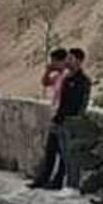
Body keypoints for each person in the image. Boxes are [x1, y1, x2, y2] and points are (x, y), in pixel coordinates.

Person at [53, 48, 92, 196]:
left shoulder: (83, 81)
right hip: (62, 121)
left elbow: (81, 103)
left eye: (70, 58)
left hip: (74, 122)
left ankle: (74, 185)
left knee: (73, 155)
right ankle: (68, 183)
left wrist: (77, 120)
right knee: (64, 154)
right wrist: (57, 119)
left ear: (78, 60)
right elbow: (62, 102)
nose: (67, 61)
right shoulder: (67, 79)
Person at [29, 48, 70, 190]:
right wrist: (48, 71)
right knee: (51, 149)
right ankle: (44, 178)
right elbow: (45, 82)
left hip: (63, 117)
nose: (52, 63)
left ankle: (58, 180)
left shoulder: (67, 76)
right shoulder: (58, 76)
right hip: (55, 115)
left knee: (62, 152)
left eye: (54, 61)